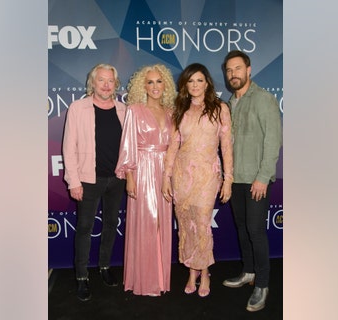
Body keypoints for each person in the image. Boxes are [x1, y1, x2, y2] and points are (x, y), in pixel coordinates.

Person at [162, 63, 233, 298]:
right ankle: (192, 272)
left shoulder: (220, 108)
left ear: (207, 83)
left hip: (207, 176)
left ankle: (204, 272)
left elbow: (226, 146)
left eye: (199, 80)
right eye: (190, 81)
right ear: (185, 85)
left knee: (202, 225)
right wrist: (166, 177)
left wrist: (228, 179)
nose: (195, 85)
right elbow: (173, 145)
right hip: (182, 176)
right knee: (186, 225)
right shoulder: (180, 109)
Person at [221, 50, 282, 312]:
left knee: (256, 231)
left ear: (249, 69)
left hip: (256, 180)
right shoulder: (229, 103)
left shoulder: (264, 99)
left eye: (237, 68)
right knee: (242, 228)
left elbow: (272, 141)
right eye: (229, 70)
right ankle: (248, 272)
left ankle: (263, 284)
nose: (233, 73)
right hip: (235, 179)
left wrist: (262, 178)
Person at [62, 63, 127, 302]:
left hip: (116, 178)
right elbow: (68, 148)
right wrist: (73, 181)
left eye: (110, 80)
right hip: (88, 179)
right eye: (101, 80)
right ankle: (81, 276)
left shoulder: (123, 110)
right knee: (85, 228)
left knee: (111, 223)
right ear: (93, 82)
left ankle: (104, 266)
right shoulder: (78, 108)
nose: (106, 85)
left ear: (115, 84)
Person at [115, 64, 177, 296]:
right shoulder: (134, 110)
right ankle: (145, 281)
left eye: (159, 81)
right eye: (150, 82)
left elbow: (175, 146)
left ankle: (161, 279)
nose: (155, 87)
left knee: (162, 224)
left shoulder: (171, 111)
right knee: (147, 225)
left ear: (166, 85)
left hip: (166, 172)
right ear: (143, 86)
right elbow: (128, 145)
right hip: (142, 170)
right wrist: (129, 177)